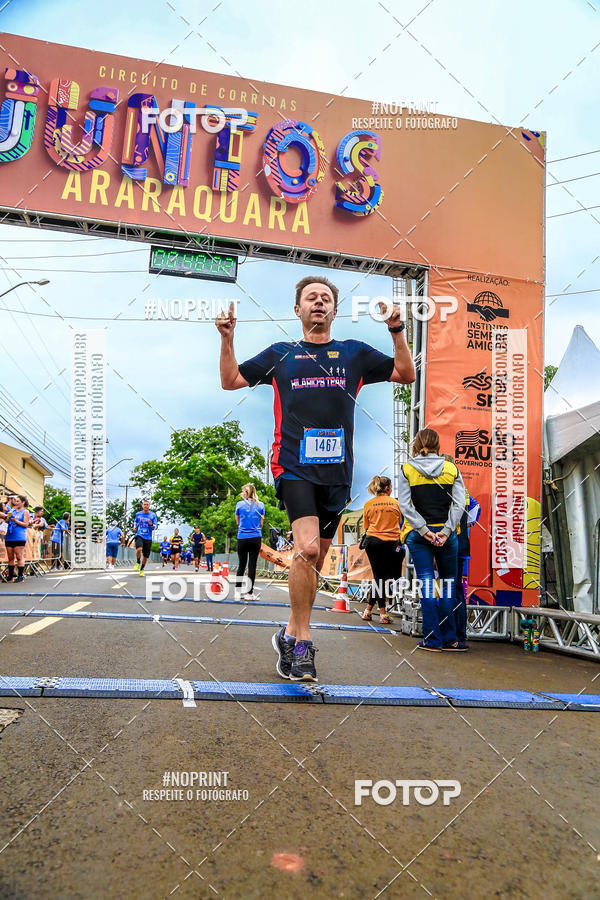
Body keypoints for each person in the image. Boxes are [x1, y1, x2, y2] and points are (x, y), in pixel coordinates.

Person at [217, 275, 415, 681]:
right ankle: (304, 644)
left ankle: (288, 634)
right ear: (298, 310)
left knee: (315, 561)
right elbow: (231, 380)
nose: (319, 303)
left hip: (338, 474)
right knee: (305, 550)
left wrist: (396, 331)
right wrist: (227, 338)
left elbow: (404, 374)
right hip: (293, 466)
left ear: (335, 311)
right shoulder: (282, 354)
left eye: (326, 298)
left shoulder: (354, 353)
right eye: (311, 298)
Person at [397, 428, 467, 652]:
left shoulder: (407, 469)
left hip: (419, 537)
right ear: (438, 446)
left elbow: (405, 506)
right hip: (447, 536)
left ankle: (432, 640)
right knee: (447, 586)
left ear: (416, 445)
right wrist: (446, 531)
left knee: (427, 587)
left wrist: (423, 530)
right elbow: (459, 505)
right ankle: (451, 639)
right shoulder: (451, 468)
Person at [361, 475, 403, 625]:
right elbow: (399, 523)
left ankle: (368, 611)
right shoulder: (396, 503)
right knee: (381, 578)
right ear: (387, 488)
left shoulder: (368, 504)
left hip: (373, 542)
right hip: (391, 543)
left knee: (379, 578)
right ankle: (383, 613)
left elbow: (366, 527)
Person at [234, 483, 265, 600]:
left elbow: (237, 522)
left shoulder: (239, 505)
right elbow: (261, 524)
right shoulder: (261, 505)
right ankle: (249, 593)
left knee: (241, 564)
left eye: (243, 491)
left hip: (242, 537)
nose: (241, 493)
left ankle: (237, 592)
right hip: (255, 537)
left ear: (246, 493)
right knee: (252, 565)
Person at [0, 494, 31, 582]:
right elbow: (7, 520)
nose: (15, 503)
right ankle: (10, 576)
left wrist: (16, 521)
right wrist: (8, 519)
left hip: (19, 536)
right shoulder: (12, 510)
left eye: (18, 501)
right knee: (10, 557)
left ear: (23, 502)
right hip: (10, 535)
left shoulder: (25, 511)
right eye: (15, 501)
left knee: (19, 556)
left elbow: (25, 524)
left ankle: (20, 576)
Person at [133, 499, 158, 576]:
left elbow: (156, 527)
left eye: (147, 504)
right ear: (142, 506)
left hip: (148, 537)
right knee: (139, 549)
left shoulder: (153, 515)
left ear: (149, 506)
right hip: (139, 534)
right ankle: (137, 561)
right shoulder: (138, 514)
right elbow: (135, 521)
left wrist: (151, 525)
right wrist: (134, 527)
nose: (146, 506)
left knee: (146, 556)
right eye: (144, 504)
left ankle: (142, 569)